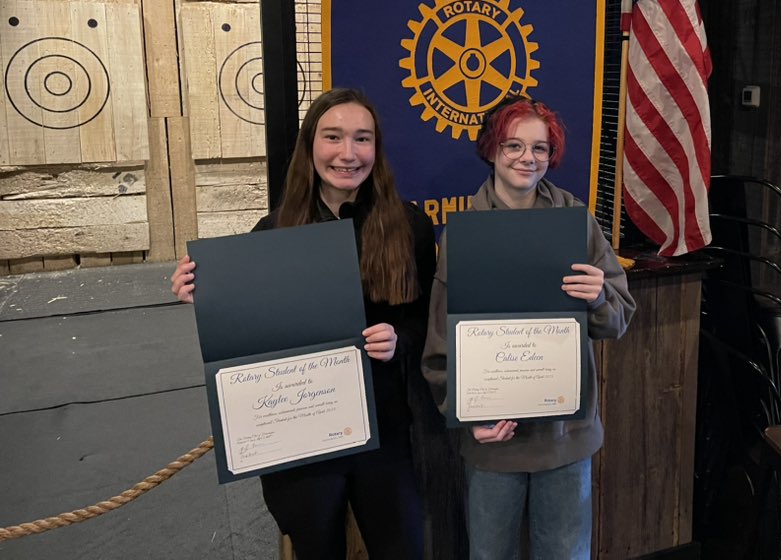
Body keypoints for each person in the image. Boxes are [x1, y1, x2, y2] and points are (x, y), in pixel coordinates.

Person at [171, 88, 435, 560]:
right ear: (310, 145)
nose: (348, 154)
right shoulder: (272, 235)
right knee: (315, 546)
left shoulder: (410, 227)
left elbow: (424, 315)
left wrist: (401, 338)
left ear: (377, 148)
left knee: (405, 548)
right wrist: (205, 292)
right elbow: (248, 331)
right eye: (333, 137)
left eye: (362, 139)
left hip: (385, 427)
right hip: (303, 434)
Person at [421, 95, 636, 560]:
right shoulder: (463, 235)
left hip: (564, 438)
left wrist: (598, 296)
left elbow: (618, 317)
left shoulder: (576, 223)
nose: (527, 158)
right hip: (493, 440)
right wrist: (464, 413)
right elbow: (440, 344)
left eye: (539, 148)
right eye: (513, 145)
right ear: (492, 149)